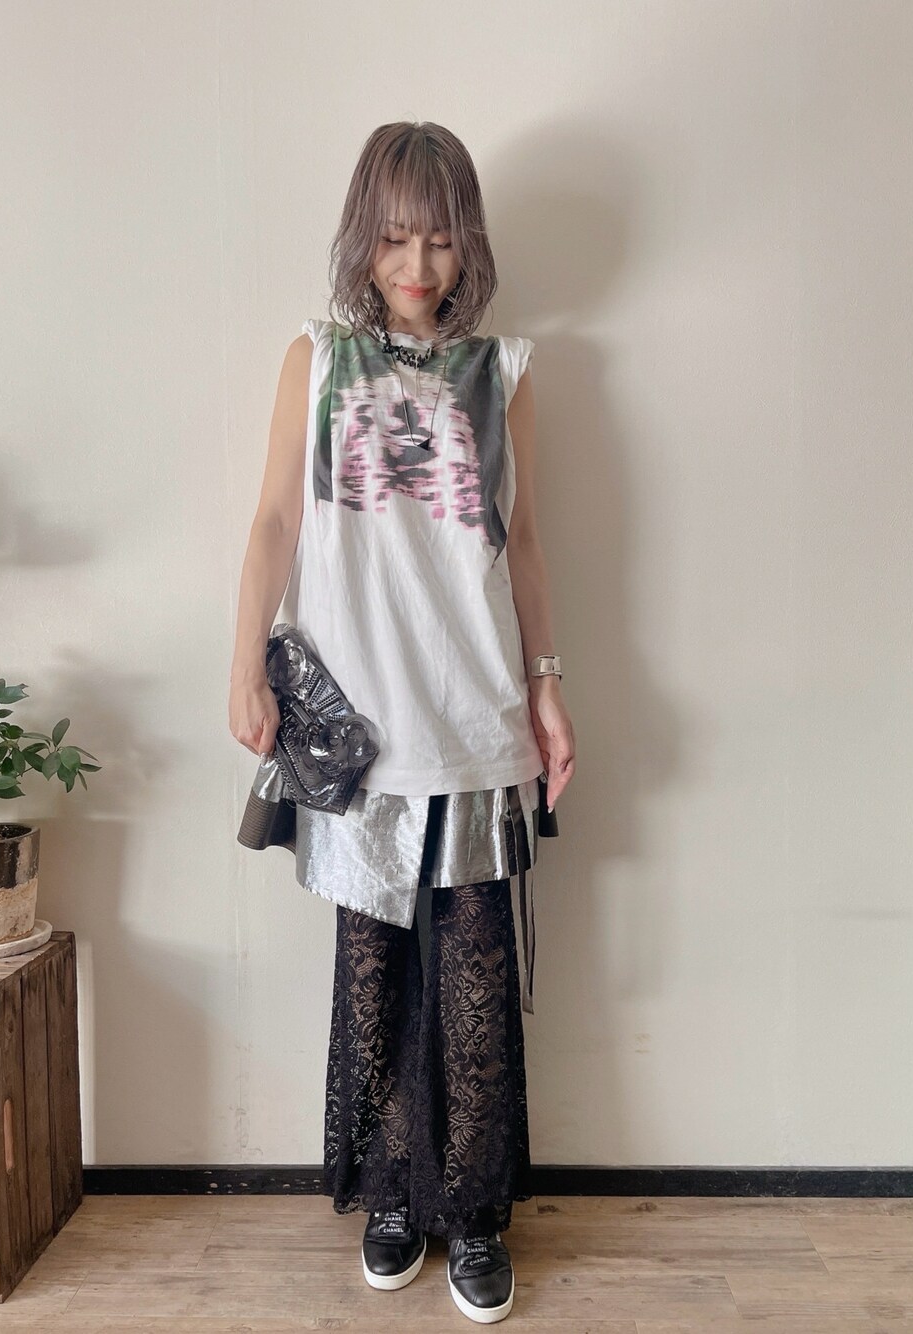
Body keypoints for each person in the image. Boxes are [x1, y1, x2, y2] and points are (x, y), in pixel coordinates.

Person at [229, 121, 576, 1325]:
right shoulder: (316, 358)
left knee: (473, 977)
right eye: (392, 238)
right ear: (361, 240)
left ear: (466, 242)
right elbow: (274, 522)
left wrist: (548, 681)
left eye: (437, 239)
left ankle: (473, 1211)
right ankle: (391, 1195)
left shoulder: (503, 370)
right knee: (372, 972)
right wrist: (242, 661)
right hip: (359, 735)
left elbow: (521, 544)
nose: (416, 264)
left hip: (475, 715)